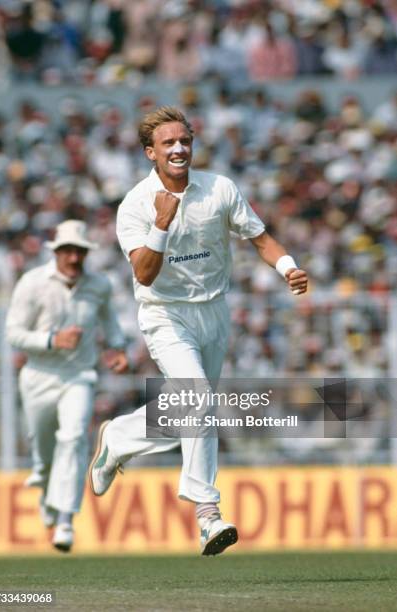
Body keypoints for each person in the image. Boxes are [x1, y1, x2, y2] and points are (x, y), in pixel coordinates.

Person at [89, 106, 308, 555]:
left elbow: (261, 238)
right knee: (199, 400)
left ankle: (119, 438)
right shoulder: (135, 204)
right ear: (150, 152)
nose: (179, 149)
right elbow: (145, 274)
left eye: (184, 141)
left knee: (191, 411)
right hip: (165, 314)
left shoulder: (219, 189)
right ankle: (207, 514)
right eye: (168, 143)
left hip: (214, 311)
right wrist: (161, 224)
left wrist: (288, 267)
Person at [6, 219, 128, 552]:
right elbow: (13, 333)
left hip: (79, 376)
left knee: (74, 438)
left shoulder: (98, 284)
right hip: (38, 377)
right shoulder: (32, 283)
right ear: (56, 251)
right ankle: (48, 496)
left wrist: (116, 348)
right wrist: (51, 339)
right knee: (44, 457)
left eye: (80, 252)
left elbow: (110, 322)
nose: (74, 258)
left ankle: (64, 521)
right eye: (68, 251)